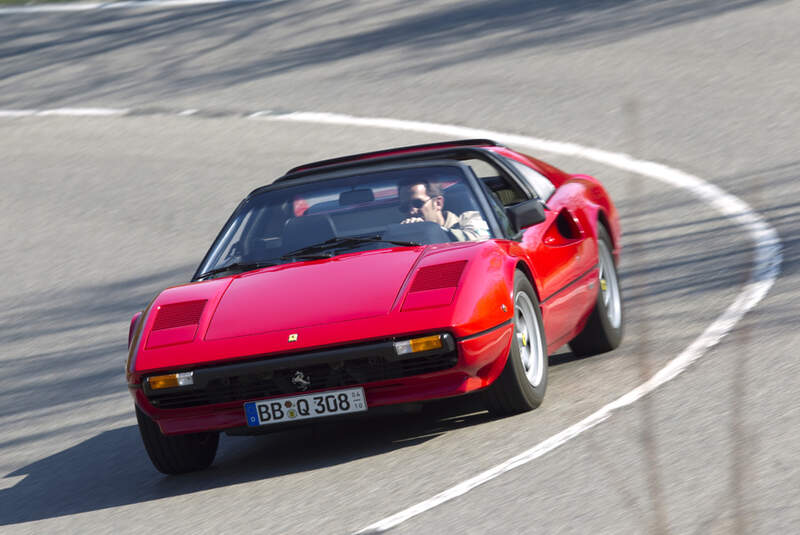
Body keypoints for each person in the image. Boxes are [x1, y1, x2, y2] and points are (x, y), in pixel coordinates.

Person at [399, 180, 489, 241]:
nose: (411, 211)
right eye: (405, 207)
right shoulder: (403, 239)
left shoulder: (469, 219)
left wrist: (428, 230)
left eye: (418, 203)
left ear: (438, 203)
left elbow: (479, 241)